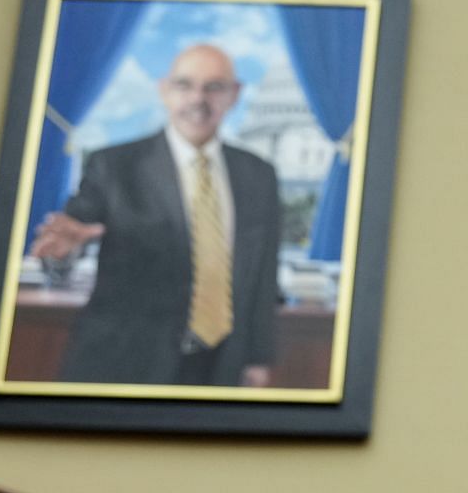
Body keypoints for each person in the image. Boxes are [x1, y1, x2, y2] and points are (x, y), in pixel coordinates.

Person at [28, 43, 280, 387]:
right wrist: (63, 252)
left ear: (235, 94)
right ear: (164, 91)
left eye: (214, 87)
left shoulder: (258, 175)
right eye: (184, 85)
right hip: (124, 364)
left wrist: (257, 359)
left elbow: (263, 276)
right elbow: (72, 237)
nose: (198, 99)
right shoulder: (114, 166)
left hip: (221, 368)